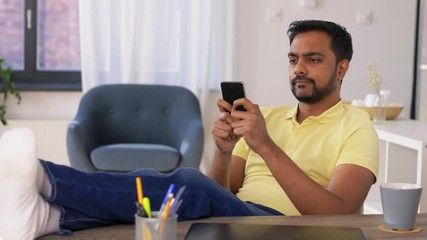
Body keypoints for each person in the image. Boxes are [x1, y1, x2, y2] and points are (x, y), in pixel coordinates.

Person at [0, 19, 378, 239]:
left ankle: (44, 178)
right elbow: (219, 192)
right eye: (294, 58)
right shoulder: (271, 116)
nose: (299, 68)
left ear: (341, 68)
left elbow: (339, 212)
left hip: (287, 227)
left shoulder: (356, 125)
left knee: (187, 183)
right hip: (240, 214)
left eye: (313, 59)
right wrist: (226, 149)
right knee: (176, 193)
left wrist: (265, 146)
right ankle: (49, 217)